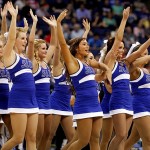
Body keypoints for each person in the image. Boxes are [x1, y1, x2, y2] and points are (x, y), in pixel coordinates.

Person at [57, 9, 111, 150]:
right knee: (83, 141)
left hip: (95, 103)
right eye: (84, 44)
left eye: (87, 44)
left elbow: (96, 73)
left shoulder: (87, 63)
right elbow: (63, 45)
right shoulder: (73, 63)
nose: (87, 46)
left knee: (95, 140)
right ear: (76, 49)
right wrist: (58, 24)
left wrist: (86, 32)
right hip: (84, 104)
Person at [2, 2, 38, 150]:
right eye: (22, 38)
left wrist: (33, 24)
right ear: (15, 40)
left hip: (32, 100)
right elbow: (9, 39)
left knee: (32, 138)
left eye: (25, 38)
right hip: (18, 99)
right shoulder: (9, 55)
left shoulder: (24, 57)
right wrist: (13, 17)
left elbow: (31, 41)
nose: (25, 41)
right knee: (17, 138)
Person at [26, 11, 57, 150]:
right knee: (36, 138)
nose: (45, 51)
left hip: (47, 102)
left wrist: (54, 27)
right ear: (36, 50)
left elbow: (54, 45)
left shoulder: (45, 61)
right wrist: (35, 23)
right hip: (36, 103)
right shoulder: (33, 63)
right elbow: (31, 42)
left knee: (48, 135)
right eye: (43, 49)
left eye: (46, 48)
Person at [104, 7, 133, 150]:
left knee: (124, 137)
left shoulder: (125, 64)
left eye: (123, 48)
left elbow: (140, 53)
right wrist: (124, 19)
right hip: (117, 100)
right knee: (120, 135)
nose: (121, 50)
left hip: (128, 100)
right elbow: (118, 38)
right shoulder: (110, 60)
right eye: (118, 48)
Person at [128, 41, 150, 150]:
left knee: (133, 139)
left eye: (147, 54)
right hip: (140, 107)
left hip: (148, 106)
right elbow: (136, 62)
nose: (146, 57)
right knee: (148, 141)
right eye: (143, 54)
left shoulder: (146, 70)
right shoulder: (133, 70)